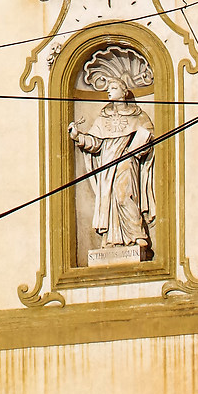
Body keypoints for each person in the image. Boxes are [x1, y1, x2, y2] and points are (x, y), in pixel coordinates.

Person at [68, 44, 155, 261]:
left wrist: (138, 146)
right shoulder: (103, 117)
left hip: (126, 162)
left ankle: (137, 235)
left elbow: (148, 136)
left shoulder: (138, 115)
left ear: (124, 92)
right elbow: (95, 143)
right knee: (109, 199)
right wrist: (78, 136)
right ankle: (113, 239)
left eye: (113, 88)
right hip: (108, 163)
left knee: (125, 195)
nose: (108, 91)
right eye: (107, 89)